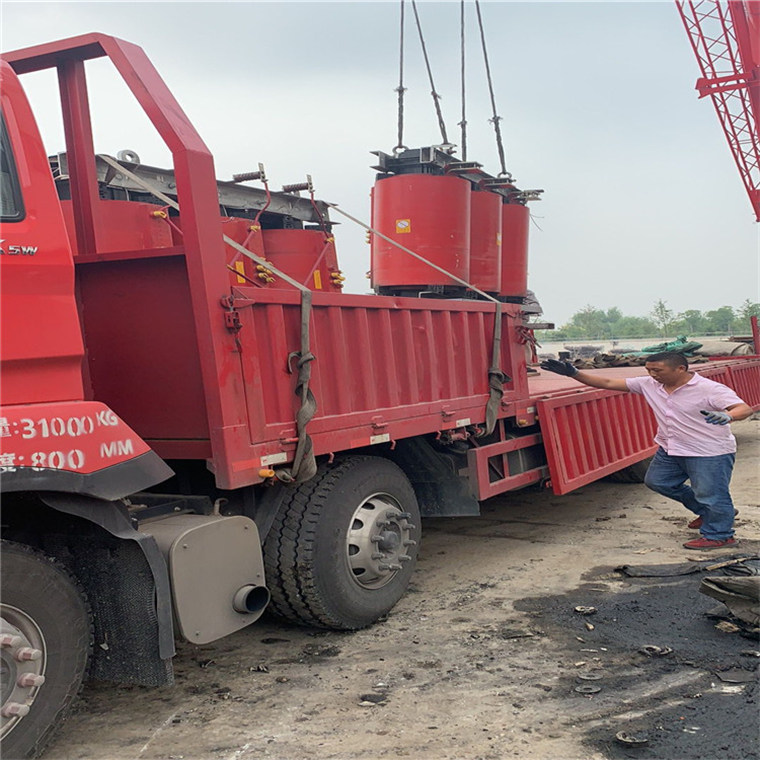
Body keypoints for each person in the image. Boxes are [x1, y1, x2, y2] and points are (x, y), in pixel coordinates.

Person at [540, 351, 753, 550]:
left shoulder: (709, 389)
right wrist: (574, 373)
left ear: (680, 369)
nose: (652, 375)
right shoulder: (649, 385)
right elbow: (606, 382)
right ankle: (711, 513)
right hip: (671, 448)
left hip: (707, 451)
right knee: (657, 481)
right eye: (649, 370)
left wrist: (729, 416)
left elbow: (742, 408)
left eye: (657, 371)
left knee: (711, 493)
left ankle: (720, 534)